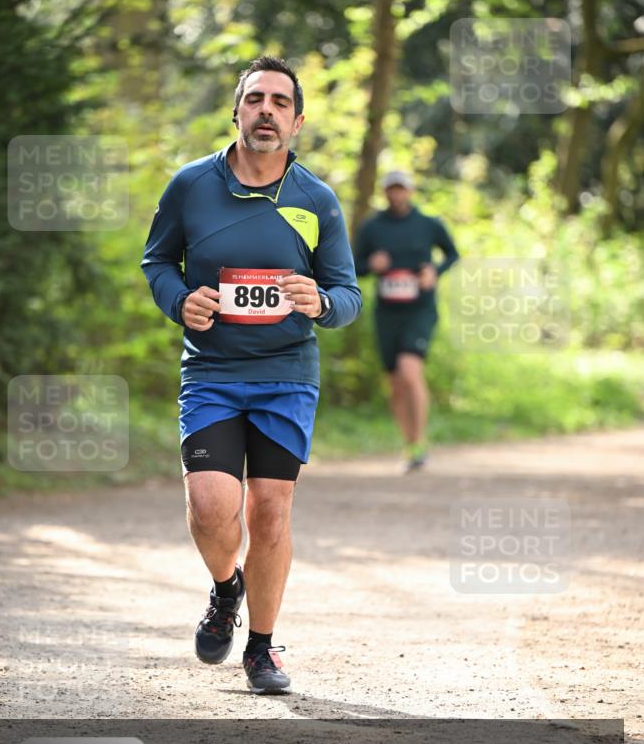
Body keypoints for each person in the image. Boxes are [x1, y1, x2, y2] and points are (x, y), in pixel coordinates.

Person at [141, 56, 361, 694]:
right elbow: (157, 262)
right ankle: (225, 586)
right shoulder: (191, 185)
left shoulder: (315, 199)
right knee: (212, 507)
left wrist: (319, 302)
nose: (267, 111)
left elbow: (348, 295)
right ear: (236, 111)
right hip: (210, 371)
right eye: (255, 99)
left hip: (287, 375)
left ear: (296, 121)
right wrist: (179, 300)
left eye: (280, 103)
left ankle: (262, 650)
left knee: (269, 512)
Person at [353, 171, 459, 472]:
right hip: (387, 312)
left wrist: (434, 272)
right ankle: (411, 444)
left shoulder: (428, 224)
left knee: (410, 371)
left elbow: (452, 254)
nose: (395, 195)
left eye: (401, 189)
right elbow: (353, 266)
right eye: (390, 189)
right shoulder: (372, 227)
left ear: (410, 191)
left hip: (420, 309)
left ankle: (420, 441)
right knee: (395, 383)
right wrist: (371, 265)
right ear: (384, 192)